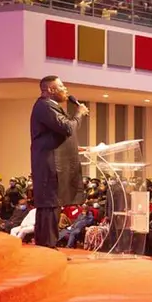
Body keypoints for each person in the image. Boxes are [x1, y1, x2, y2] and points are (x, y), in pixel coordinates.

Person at [30, 76, 88, 249]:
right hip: (49, 165)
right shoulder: (45, 106)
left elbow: (56, 135)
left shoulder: (49, 106)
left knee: (50, 206)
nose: (66, 90)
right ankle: (48, 247)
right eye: (61, 86)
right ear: (50, 89)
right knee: (50, 205)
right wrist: (79, 113)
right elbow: (67, 128)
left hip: (51, 162)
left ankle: (45, 247)